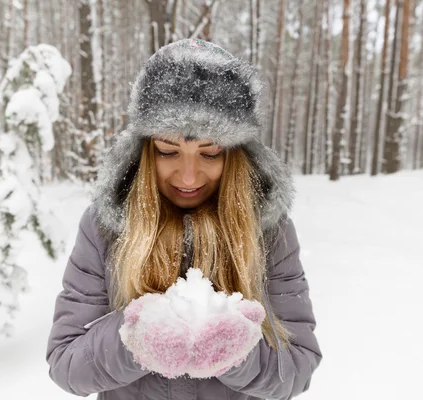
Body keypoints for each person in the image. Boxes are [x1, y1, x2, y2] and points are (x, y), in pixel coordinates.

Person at [46, 38, 322, 400]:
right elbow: (66, 365)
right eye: (167, 151)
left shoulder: (269, 229)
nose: (188, 177)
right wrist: (136, 338)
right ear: (146, 150)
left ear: (234, 156)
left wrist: (233, 350)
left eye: (209, 153)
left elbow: (297, 369)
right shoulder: (106, 226)